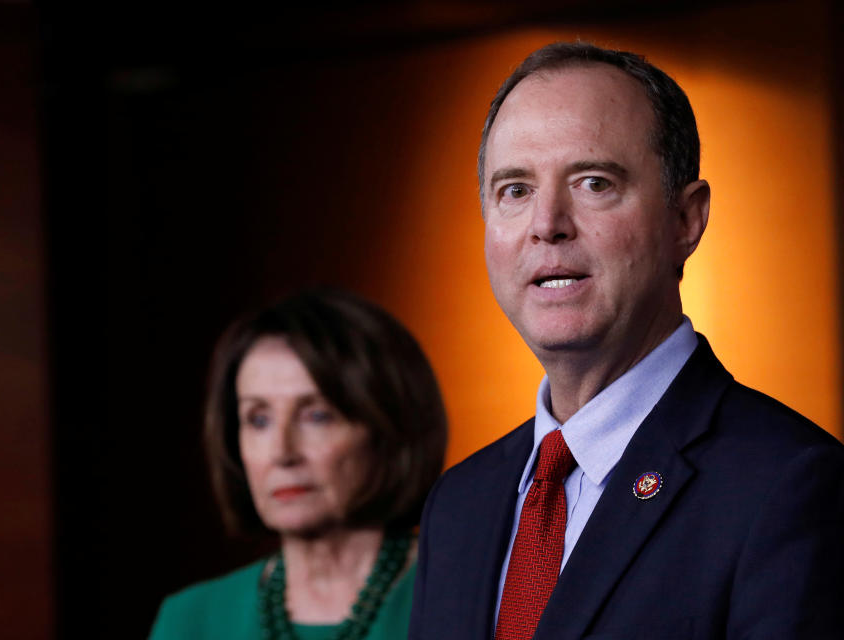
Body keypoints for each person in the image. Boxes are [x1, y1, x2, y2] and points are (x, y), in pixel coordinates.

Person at [409, 42, 844, 640]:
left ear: (686, 220)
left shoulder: (788, 485)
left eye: (594, 182)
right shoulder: (458, 505)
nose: (547, 223)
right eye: (515, 190)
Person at [150, 289, 447, 639]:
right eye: (258, 420)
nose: (282, 452)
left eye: (316, 416)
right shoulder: (191, 619)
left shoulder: (465, 594)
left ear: (388, 428)